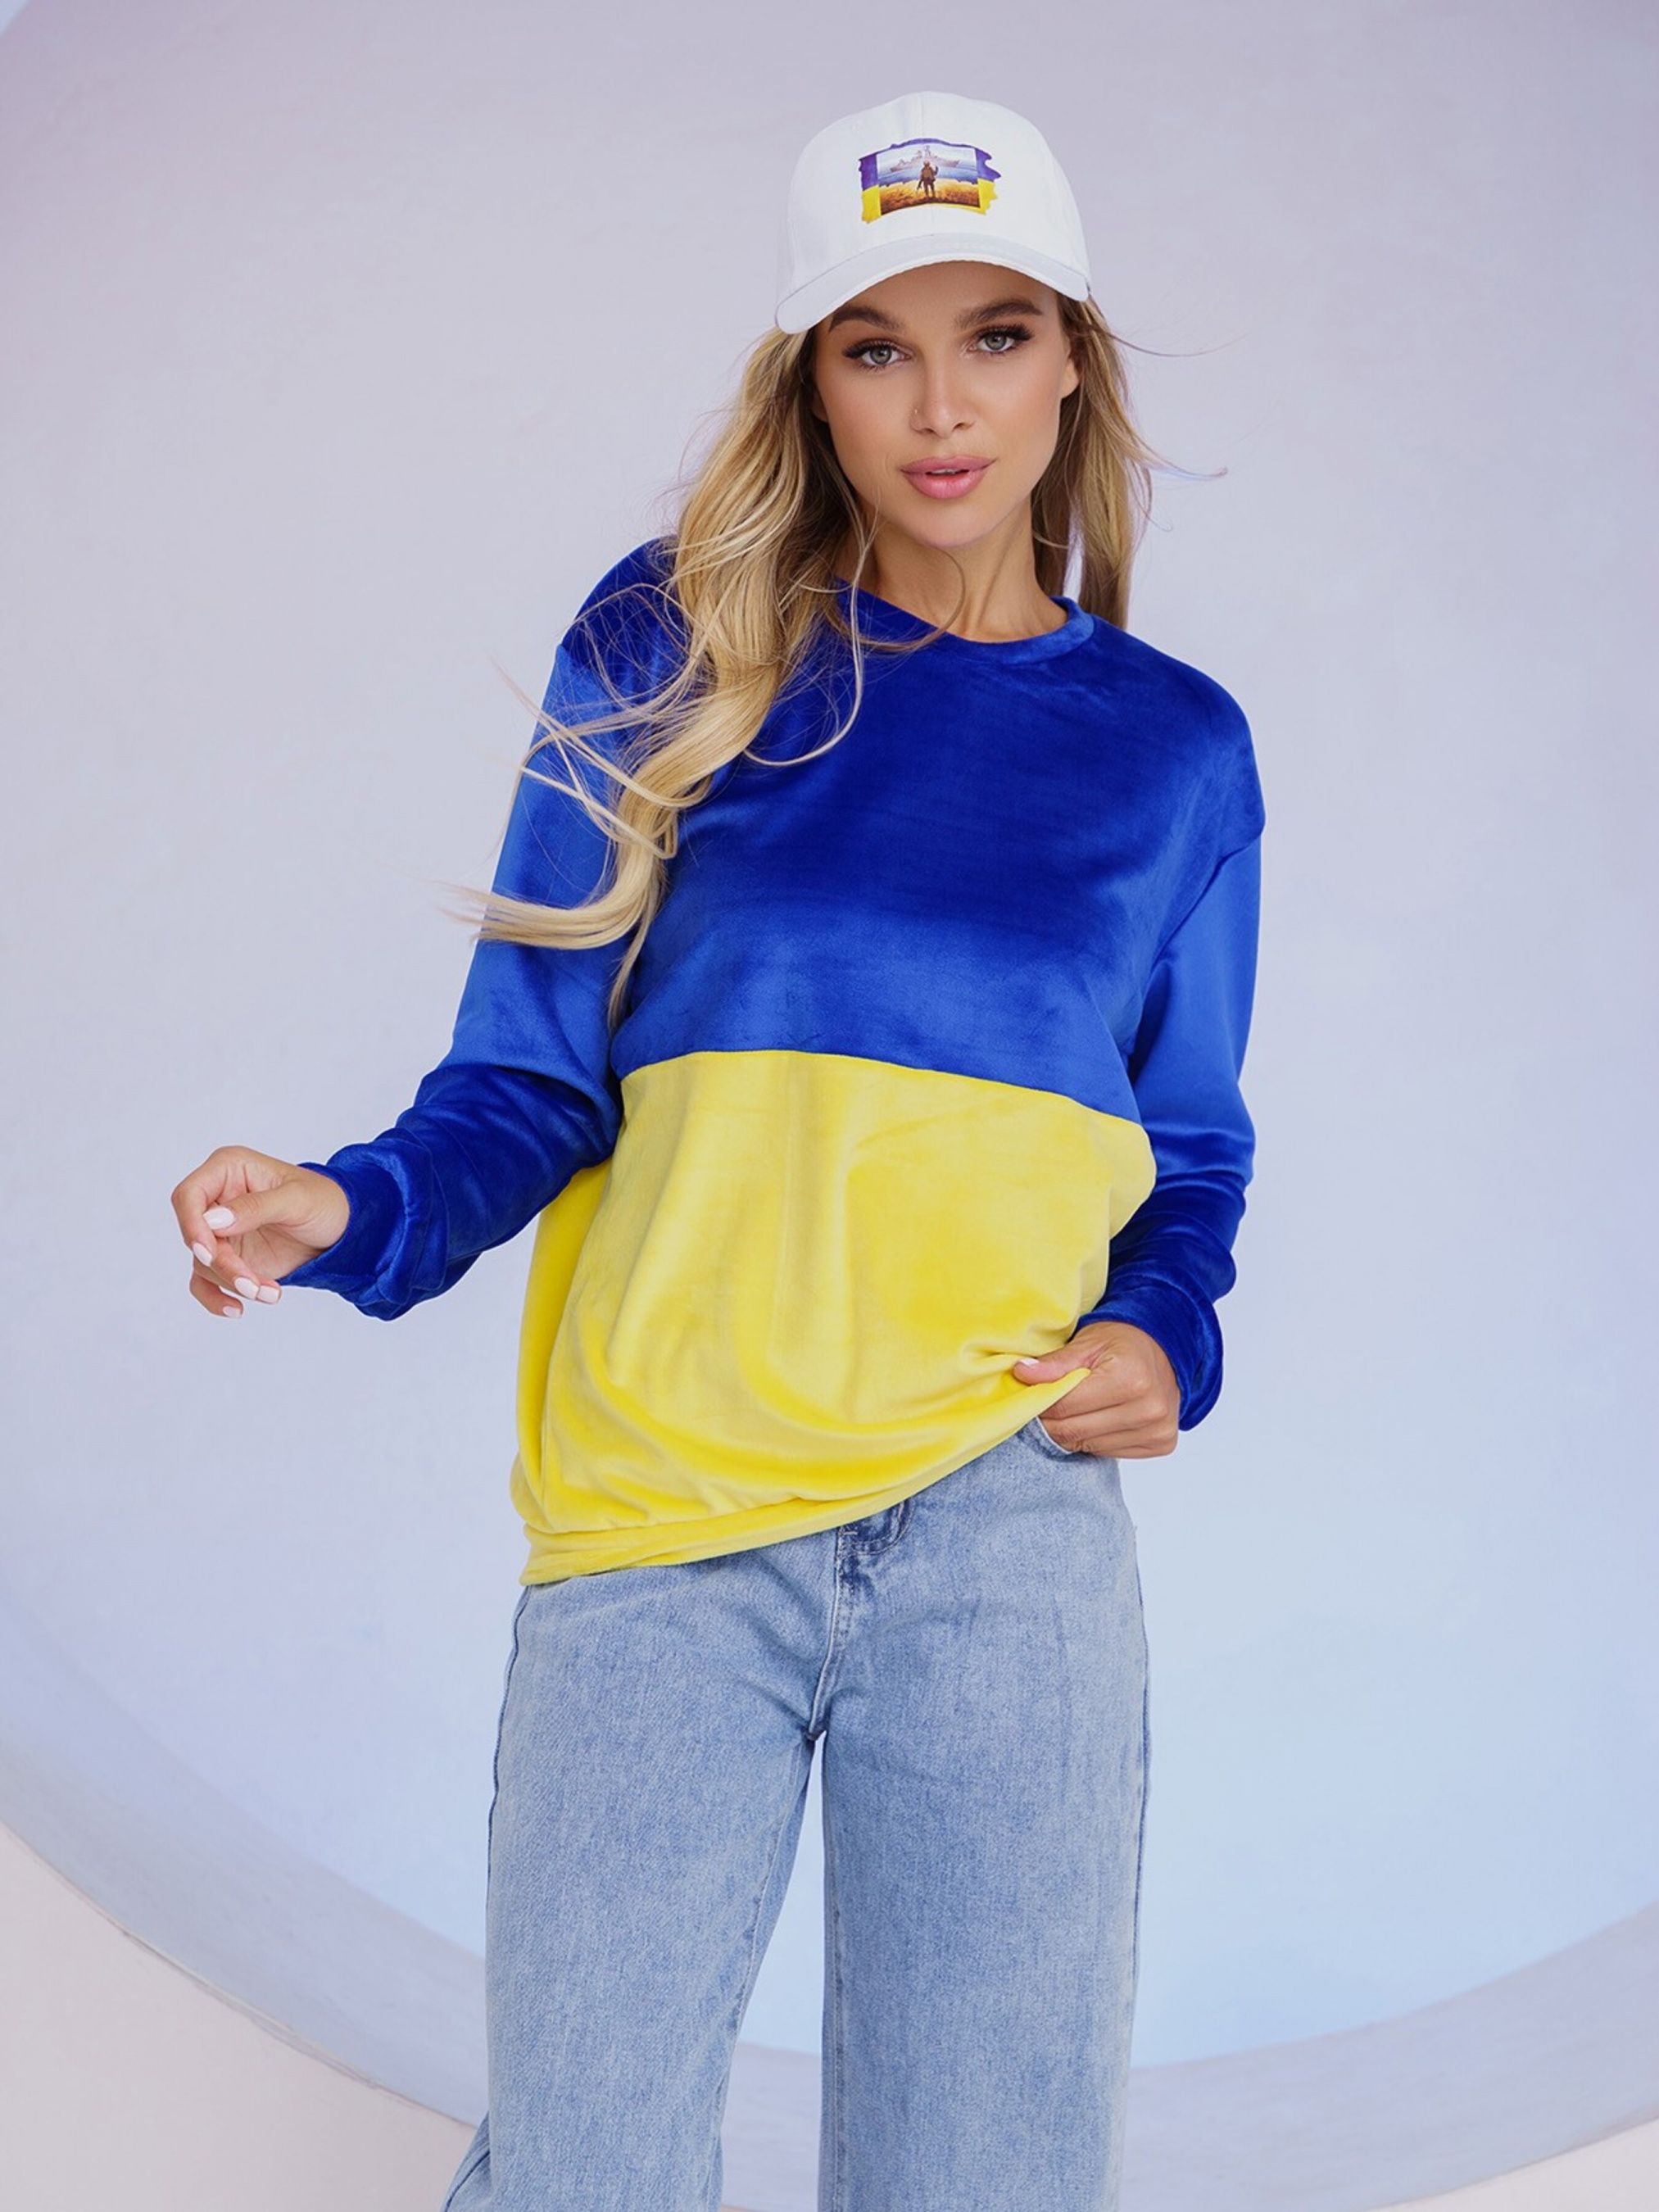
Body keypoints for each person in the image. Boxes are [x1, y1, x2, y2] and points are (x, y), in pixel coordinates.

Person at [170, 88, 1264, 2212]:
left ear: (1072, 362)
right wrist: (351, 1205)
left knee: (989, 2181)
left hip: (1006, 1525)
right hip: (667, 1518)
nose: (940, 407)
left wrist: (1162, 1332)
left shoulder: (1173, 753)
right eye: (875, 346)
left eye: (996, 334)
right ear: (808, 382)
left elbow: (1189, 1147)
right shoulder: (669, 649)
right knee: (585, 2171)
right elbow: (529, 1081)